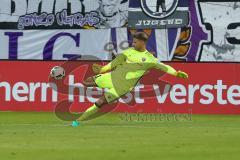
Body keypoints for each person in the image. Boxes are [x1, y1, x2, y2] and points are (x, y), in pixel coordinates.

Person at [72, 32, 188, 127]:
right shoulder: (128, 52)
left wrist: (176, 73)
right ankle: (80, 117)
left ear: (142, 42)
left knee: (100, 102)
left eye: (135, 42)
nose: (133, 43)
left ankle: (78, 121)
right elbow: (114, 63)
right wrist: (102, 69)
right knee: (86, 82)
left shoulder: (150, 59)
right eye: (133, 41)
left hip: (121, 87)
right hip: (111, 77)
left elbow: (165, 67)